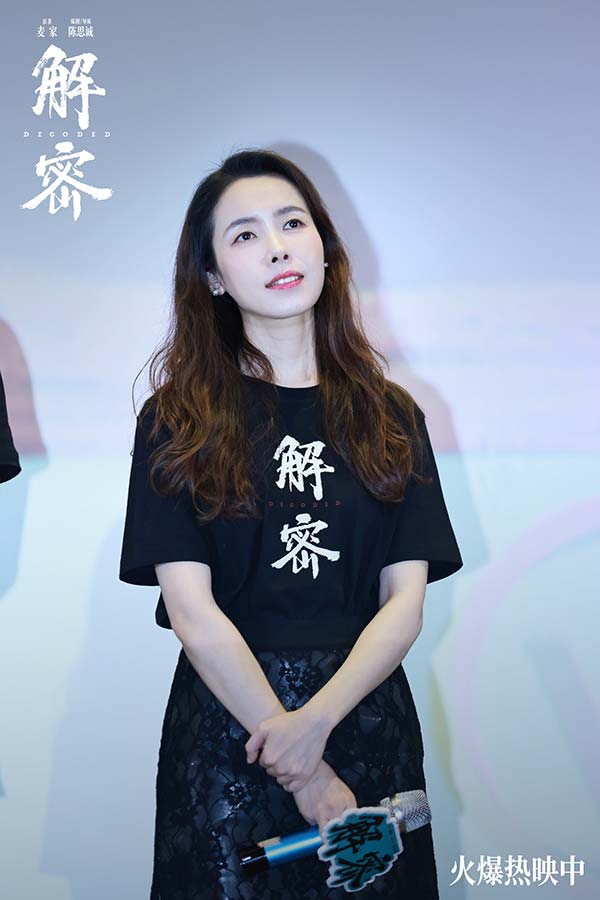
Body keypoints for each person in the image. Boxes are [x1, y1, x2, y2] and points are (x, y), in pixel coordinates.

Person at [119, 148, 463, 899]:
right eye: (244, 235)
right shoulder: (176, 419)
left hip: (363, 721)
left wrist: (316, 726)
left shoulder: (391, 414)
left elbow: (404, 603)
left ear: (324, 248)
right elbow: (192, 614)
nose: (276, 247)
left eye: (292, 223)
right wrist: (301, 764)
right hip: (232, 734)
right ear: (213, 276)